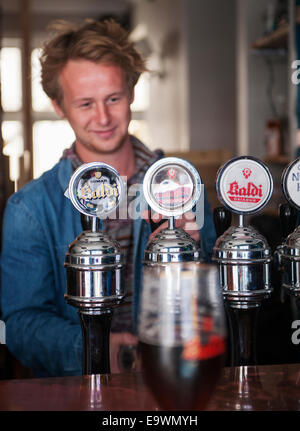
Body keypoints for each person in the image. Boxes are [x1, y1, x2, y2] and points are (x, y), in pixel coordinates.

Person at [0, 19, 216, 377]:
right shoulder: (30, 209)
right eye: (85, 104)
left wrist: (194, 264)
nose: (103, 118)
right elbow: (21, 324)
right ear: (58, 105)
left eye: (113, 98)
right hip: (78, 393)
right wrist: (94, 350)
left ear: (131, 92)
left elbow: (214, 306)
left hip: (171, 382)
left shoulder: (182, 188)